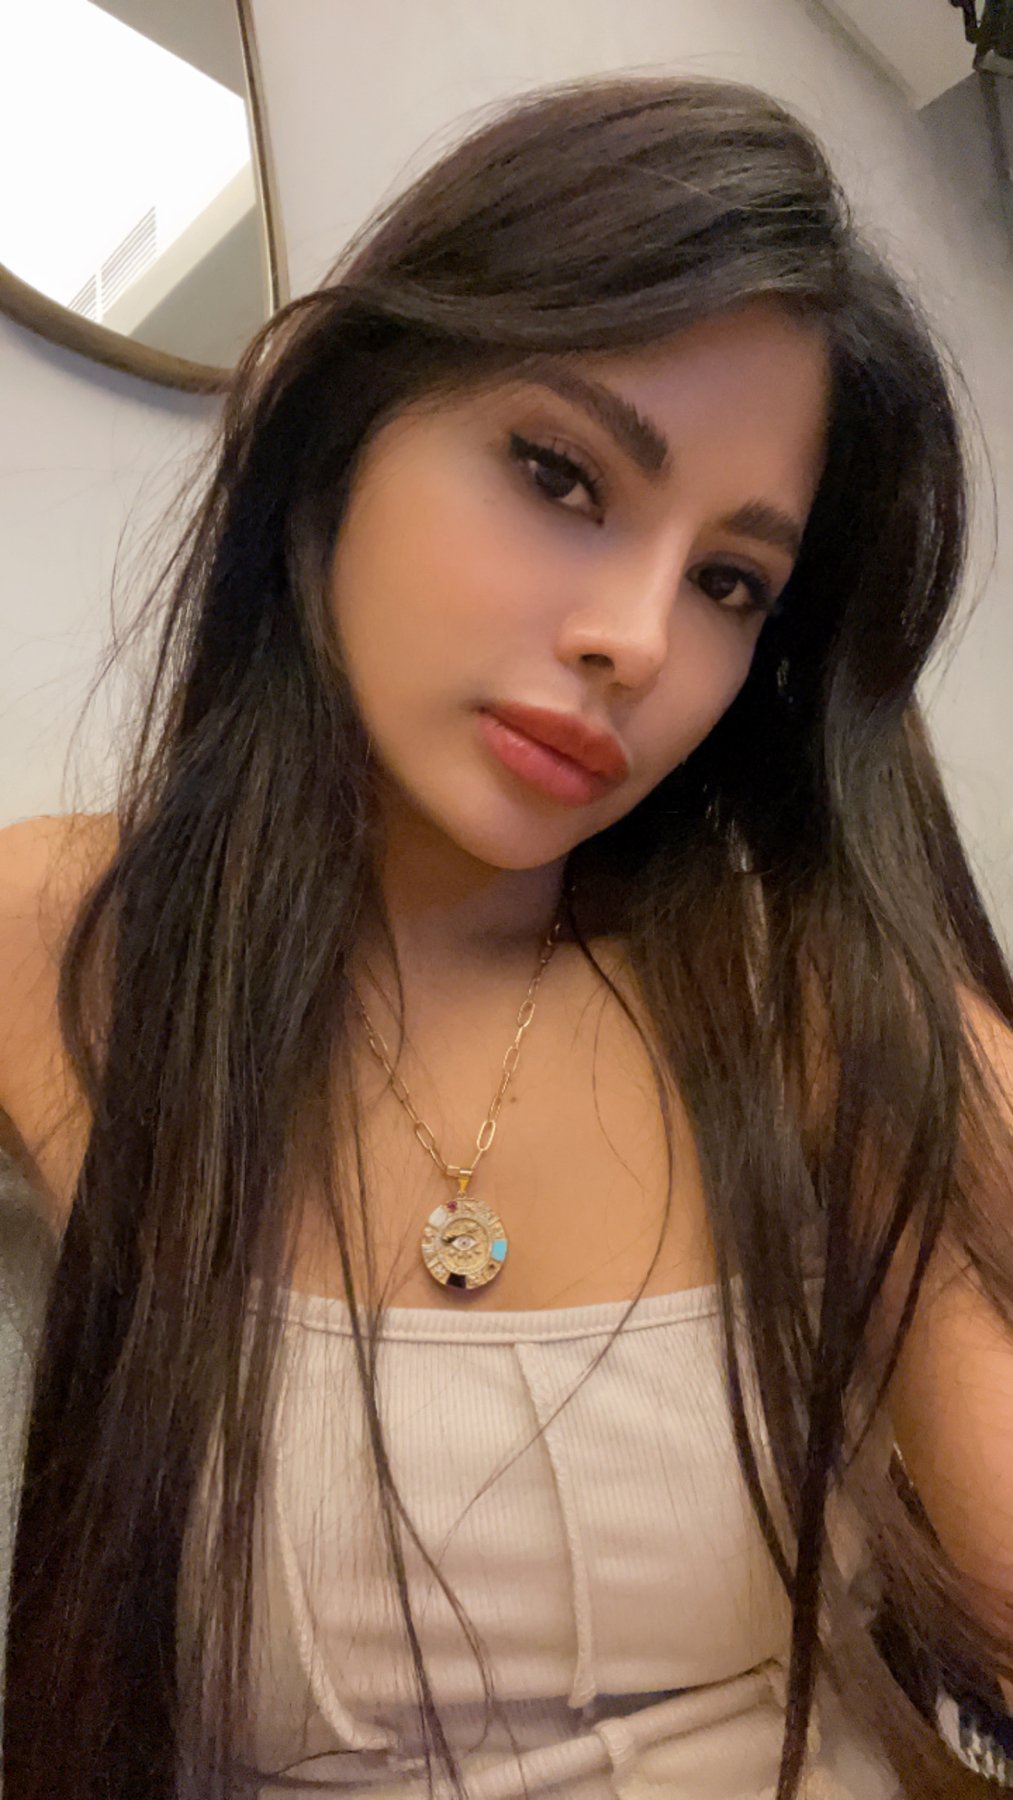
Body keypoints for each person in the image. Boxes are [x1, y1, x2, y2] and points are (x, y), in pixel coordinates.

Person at [0, 70, 1011, 1800]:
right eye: (559, 473)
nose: (638, 638)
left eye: (729, 583)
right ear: (337, 431)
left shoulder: (784, 990)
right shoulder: (68, 939)